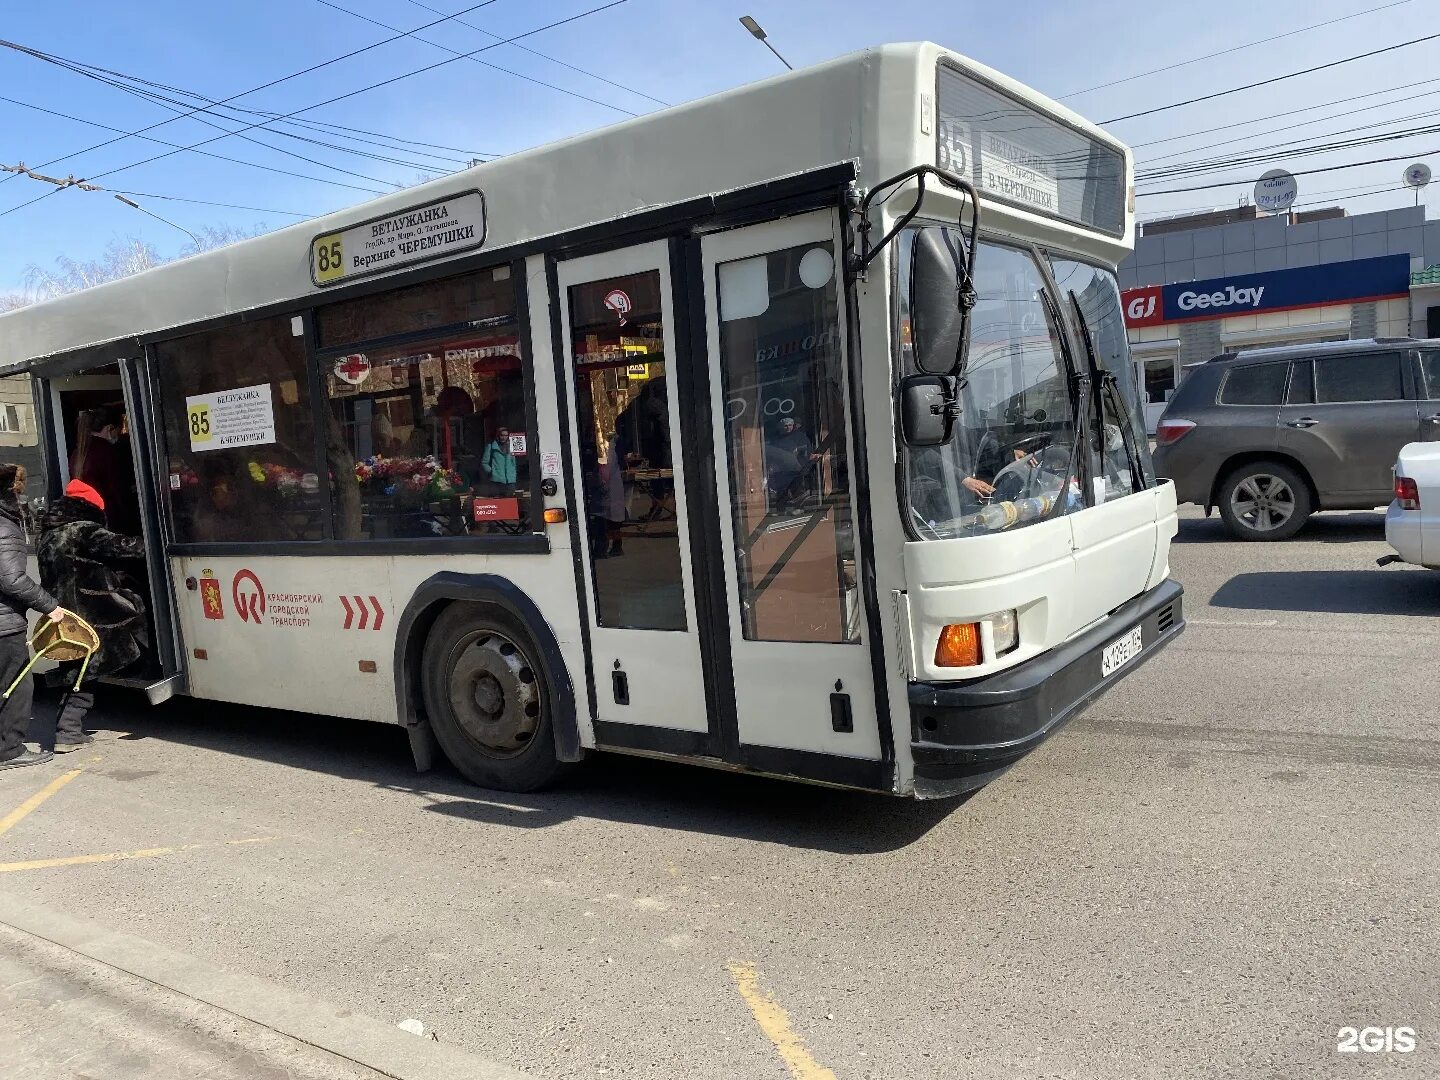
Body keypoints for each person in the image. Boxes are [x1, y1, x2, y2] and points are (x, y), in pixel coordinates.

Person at [37, 479, 148, 752]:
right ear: (90, 508)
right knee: (87, 669)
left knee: (77, 668)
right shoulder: (82, 530)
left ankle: (69, 728)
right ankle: (68, 731)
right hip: (90, 611)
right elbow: (123, 546)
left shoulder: (49, 535)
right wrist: (153, 538)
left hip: (63, 614)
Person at [0, 463, 64, 771]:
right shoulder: (4, 526)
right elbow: (12, 579)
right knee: (17, 686)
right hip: (3, 624)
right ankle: (9, 750)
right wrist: (49, 606)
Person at [765, 416, 824, 512]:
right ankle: (780, 510)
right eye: (785, 426)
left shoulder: (800, 436)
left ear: (793, 426)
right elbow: (771, 454)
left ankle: (799, 508)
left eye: (790, 425)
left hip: (796, 468)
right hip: (781, 469)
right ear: (781, 427)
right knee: (781, 491)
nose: (788, 427)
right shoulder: (776, 438)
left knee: (797, 490)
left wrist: (801, 464)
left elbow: (806, 453)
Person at [481, 427, 518, 493]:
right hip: (496, 481)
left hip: (510, 481)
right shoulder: (491, 446)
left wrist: (513, 472)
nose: (504, 437)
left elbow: (514, 462)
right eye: (502, 435)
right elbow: (484, 462)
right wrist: (492, 472)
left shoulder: (512, 446)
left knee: (510, 501)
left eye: (506, 435)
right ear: (498, 435)